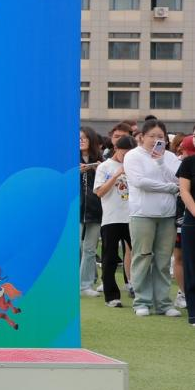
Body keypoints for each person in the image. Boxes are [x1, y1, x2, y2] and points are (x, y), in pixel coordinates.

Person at [122, 119, 181, 317]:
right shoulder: (133, 156)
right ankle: (142, 301)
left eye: (160, 136)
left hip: (167, 215)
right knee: (143, 256)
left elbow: (178, 179)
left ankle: (163, 303)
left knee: (163, 260)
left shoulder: (170, 157)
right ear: (142, 137)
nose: (156, 140)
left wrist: (161, 162)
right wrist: (168, 188)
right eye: (152, 136)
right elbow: (139, 182)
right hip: (142, 214)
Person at [94, 134, 135, 307]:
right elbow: (99, 192)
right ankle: (111, 296)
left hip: (134, 217)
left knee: (139, 255)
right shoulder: (105, 166)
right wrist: (117, 175)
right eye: (124, 153)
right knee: (110, 258)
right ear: (116, 149)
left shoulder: (135, 165)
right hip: (112, 218)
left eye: (130, 154)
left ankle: (138, 290)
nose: (126, 157)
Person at [78, 127, 103, 298]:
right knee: (75, 247)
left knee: (89, 249)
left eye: (84, 138)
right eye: (78, 138)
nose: (81, 141)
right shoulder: (68, 159)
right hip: (75, 209)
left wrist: (99, 170)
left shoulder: (101, 161)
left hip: (96, 209)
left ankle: (85, 285)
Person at [177, 137, 195, 328]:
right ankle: (194, 314)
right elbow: (184, 191)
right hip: (192, 221)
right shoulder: (189, 163)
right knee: (192, 267)